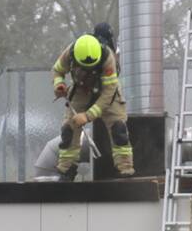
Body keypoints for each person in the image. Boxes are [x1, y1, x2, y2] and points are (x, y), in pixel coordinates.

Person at [51, 33, 134, 181]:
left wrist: (87, 116)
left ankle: (125, 170)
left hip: (108, 92)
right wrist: (59, 85)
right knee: (69, 129)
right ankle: (66, 170)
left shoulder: (107, 58)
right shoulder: (70, 52)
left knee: (118, 129)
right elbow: (57, 70)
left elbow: (108, 94)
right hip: (81, 90)